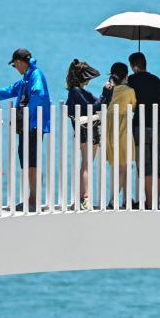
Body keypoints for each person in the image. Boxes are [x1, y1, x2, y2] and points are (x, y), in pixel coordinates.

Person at [0, 48, 51, 212]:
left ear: (18, 62)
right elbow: (11, 89)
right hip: (28, 125)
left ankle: (34, 199)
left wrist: (26, 114)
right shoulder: (27, 77)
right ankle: (31, 198)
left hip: (34, 125)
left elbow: (39, 94)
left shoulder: (35, 75)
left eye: (15, 65)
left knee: (32, 162)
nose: (15, 68)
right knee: (27, 161)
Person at [127, 52, 160, 209]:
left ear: (135, 67)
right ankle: (155, 201)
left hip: (140, 126)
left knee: (144, 166)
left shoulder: (132, 80)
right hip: (157, 125)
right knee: (157, 166)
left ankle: (149, 204)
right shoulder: (156, 80)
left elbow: (131, 102)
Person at [65, 59, 101, 210]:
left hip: (85, 131)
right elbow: (95, 106)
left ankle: (81, 197)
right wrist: (107, 92)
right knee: (86, 165)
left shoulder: (77, 91)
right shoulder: (77, 92)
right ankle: (84, 198)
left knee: (85, 165)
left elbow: (97, 103)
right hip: (88, 132)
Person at [104, 62, 136, 208]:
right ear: (126, 76)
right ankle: (114, 199)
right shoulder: (129, 91)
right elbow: (134, 105)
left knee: (117, 168)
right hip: (123, 131)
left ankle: (125, 199)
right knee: (124, 168)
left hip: (109, 131)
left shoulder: (109, 89)